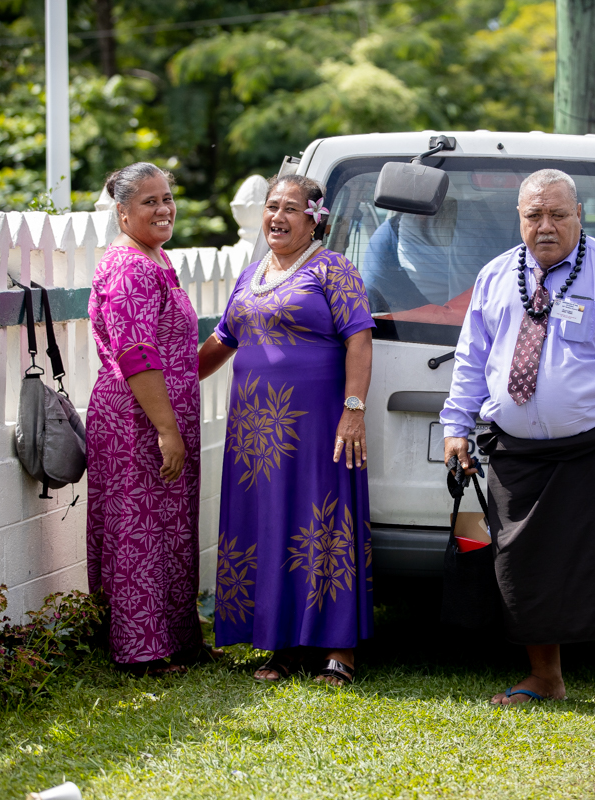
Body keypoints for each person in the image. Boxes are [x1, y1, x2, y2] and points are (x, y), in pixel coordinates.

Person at [441, 169, 595, 720]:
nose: (545, 226)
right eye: (533, 215)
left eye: (557, 214)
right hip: (515, 451)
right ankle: (546, 677)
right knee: (521, 565)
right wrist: (456, 422)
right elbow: (472, 359)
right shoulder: (498, 274)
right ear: (519, 218)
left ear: (579, 215)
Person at [198, 174, 375, 686]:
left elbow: (360, 341)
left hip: (320, 428)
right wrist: (173, 379)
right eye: (271, 206)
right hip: (255, 436)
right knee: (268, 526)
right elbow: (223, 338)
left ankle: (337, 650)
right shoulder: (251, 275)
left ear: (314, 218)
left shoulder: (333, 269)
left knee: (323, 525)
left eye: (290, 208)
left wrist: (354, 408)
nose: (277, 216)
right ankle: (280, 645)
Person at [87, 163, 209, 676]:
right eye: (149, 202)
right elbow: (136, 353)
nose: (163, 209)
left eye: (167, 199)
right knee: (138, 530)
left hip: (159, 415)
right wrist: (165, 428)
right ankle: (140, 651)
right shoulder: (130, 267)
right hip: (135, 420)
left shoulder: (156, 259)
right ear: (121, 211)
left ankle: (176, 640)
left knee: (168, 529)